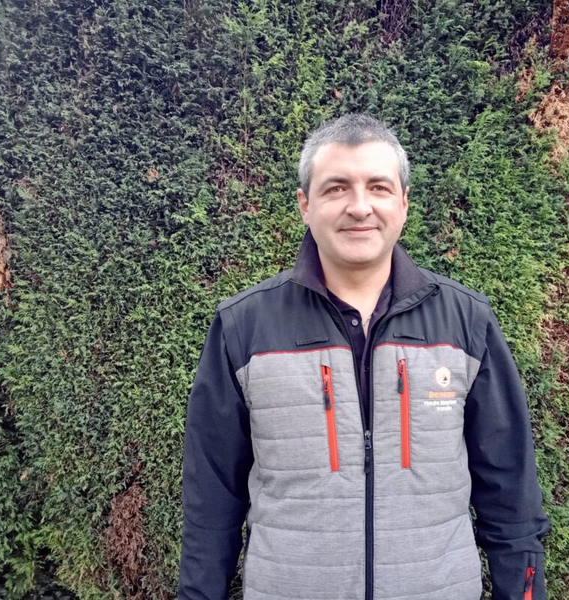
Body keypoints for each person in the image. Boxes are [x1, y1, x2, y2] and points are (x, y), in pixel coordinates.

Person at [178, 114, 550, 600]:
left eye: (378, 187)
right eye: (336, 188)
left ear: (403, 203)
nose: (359, 207)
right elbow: (210, 503)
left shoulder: (466, 321)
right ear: (305, 205)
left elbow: (511, 491)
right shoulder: (243, 327)